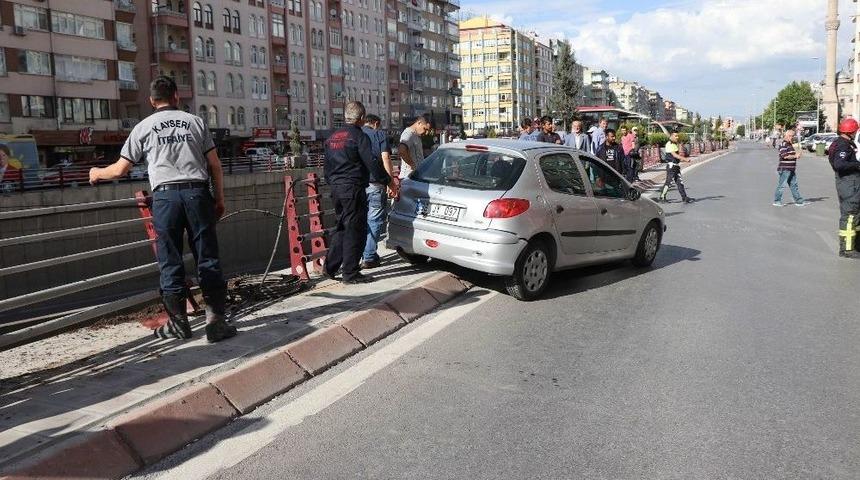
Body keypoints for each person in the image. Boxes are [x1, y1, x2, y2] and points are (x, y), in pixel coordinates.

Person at [88, 76, 236, 342]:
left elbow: (121, 168)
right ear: (176, 97)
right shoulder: (195, 122)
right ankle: (215, 322)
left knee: (170, 259)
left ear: (151, 100)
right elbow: (214, 165)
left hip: (165, 199)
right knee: (207, 256)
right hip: (197, 194)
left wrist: (97, 173)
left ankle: (178, 324)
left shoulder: (143, 127)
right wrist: (219, 198)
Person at [324, 101, 389, 283]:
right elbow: (372, 163)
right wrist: (386, 180)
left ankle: (329, 268)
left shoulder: (332, 137)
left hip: (336, 189)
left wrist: (334, 183)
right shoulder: (359, 137)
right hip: (353, 188)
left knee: (341, 227)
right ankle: (350, 273)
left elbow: (326, 168)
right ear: (361, 118)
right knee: (355, 230)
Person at [360, 114, 397, 269]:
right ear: (376, 123)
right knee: (374, 219)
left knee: (361, 220)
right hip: (376, 183)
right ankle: (368, 256)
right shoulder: (379, 134)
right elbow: (386, 158)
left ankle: (362, 253)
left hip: (358, 184)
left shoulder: (357, 134)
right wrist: (391, 182)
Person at [828, 118, 860, 258]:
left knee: (855, 215)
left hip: (849, 183)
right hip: (849, 184)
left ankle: (854, 245)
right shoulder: (842, 145)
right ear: (851, 131)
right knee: (850, 215)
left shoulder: (841, 143)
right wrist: (857, 165)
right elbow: (839, 165)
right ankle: (847, 249)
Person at [657, 131, 695, 203]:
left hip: (676, 166)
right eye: (676, 136)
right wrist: (685, 159)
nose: (677, 137)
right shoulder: (669, 144)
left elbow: (677, 155)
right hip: (671, 166)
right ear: (671, 136)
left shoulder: (674, 144)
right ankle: (662, 197)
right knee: (668, 183)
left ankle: (684, 197)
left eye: (677, 136)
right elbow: (674, 155)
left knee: (680, 182)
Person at [772, 129, 806, 207]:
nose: (792, 137)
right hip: (784, 169)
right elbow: (784, 156)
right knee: (782, 186)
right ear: (786, 135)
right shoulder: (783, 144)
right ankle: (777, 201)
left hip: (791, 169)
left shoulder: (792, 144)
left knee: (794, 185)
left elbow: (796, 154)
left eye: (793, 136)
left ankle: (799, 201)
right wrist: (795, 156)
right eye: (790, 136)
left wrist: (799, 152)